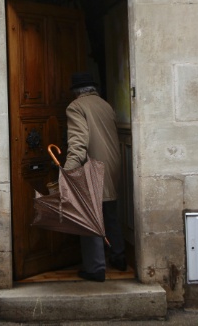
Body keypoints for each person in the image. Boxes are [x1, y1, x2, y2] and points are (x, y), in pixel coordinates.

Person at [63, 71, 127, 282]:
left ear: (75, 92)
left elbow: (78, 144)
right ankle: (119, 257)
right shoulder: (105, 105)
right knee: (110, 213)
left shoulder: (76, 107)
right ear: (93, 88)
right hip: (112, 165)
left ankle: (95, 268)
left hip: (93, 168)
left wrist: (68, 173)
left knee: (88, 217)